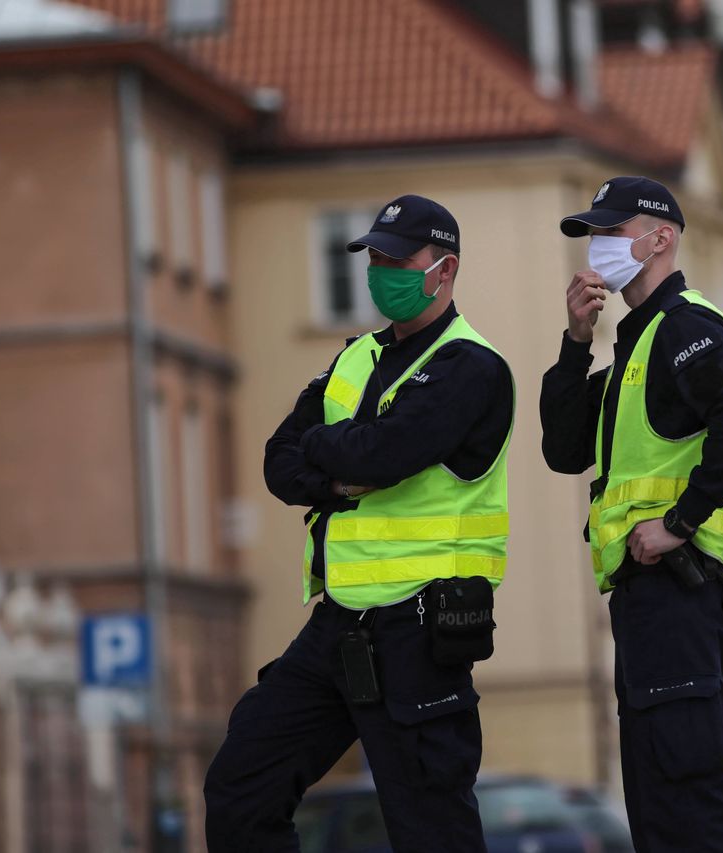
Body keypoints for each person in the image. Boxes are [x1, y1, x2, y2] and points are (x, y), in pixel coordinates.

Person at [204, 194, 514, 853]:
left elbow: (388, 454)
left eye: (398, 258)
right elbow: (278, 462)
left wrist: (337, 450)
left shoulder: (471, 367)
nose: (381, 270)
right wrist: (344, 465)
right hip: (336, 624)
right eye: (374, 257)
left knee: (431, 828)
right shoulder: (352, 359)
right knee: (241, 788)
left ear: (445, 268)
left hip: (421, 628)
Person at [540, 175, 723, 852]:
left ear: (660, 238)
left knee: (691, 802)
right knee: (656, 810)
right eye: (594, 235)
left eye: (610, 232)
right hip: (649, 604)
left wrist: (679, 522)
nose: (597, 248)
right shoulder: (632, 348)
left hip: (681, 595)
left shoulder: (684, 329)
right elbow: (563, 449)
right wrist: (575, 339)